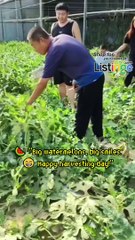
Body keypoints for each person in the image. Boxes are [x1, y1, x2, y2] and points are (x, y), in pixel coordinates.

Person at [27, 26, 104, 141]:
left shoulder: (54, 50)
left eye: (34, 46)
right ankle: (99, 136)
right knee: (96, 109)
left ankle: (78, 144)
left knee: (82, 116)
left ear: (41, 40)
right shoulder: (61, 38)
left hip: (89, 81)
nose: (35, 50)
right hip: (97, 76)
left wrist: (29, 103)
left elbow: (43, 84)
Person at [51, 2, 82, 108]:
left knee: (70, 84)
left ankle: (73, 106)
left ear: (68, 14)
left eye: (63, 14)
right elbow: (52, 43)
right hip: (57, 61)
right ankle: (64, 105)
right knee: (60, 83)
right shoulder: (53, 26)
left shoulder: (73, 24)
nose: (60, 16)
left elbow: (79, 43)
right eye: (58, 14)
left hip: (70, 61)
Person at [114, 16, 135, 87]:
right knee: (130, 72)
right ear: (133, 23)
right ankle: (126, 87)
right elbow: (124, 45)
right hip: (132, 57)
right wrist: (116, 51)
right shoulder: (129, 34)